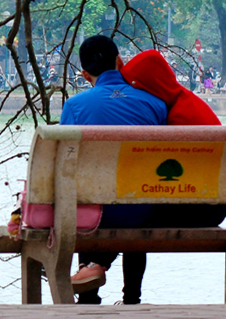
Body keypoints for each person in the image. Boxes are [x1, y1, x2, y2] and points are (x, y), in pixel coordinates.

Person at [61, 36, 166, 305]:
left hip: (98, 211)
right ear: (120, 61)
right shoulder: (155, 104)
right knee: (136, 196)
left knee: (86, 196)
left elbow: (65, 162)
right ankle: (132, 298)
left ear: (85, 75)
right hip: (144, 208)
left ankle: (88, 293)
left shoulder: (75, 106)